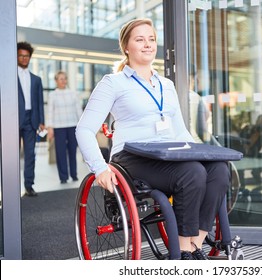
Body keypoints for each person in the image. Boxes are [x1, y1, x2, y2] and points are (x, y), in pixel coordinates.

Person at [76, 18, 231, 260]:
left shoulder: (166, 85)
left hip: (169, 153)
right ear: (126, 46)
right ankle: (182, 251)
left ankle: (194, 244)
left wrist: (202, 154)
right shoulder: (113, 83)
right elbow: (84, 129)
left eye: (151, 39)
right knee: (192, 173)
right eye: (140, 39)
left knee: (219, 170)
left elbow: (180, 131)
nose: (147, 44)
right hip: (132, 157)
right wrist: (99, 168)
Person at [17, 41, 45, 197]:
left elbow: (40, 102)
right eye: (21, 56)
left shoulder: (36, 79)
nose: (24, 58)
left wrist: (41, 121)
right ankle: (11, 187)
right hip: (12, 120)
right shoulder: (8, 76)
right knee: (10, 157)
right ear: (16, 57)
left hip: (31, 120)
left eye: (26, 56)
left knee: (30, 155)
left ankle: (29, 186)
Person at [46, 71, 82, 184]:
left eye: (64, 78)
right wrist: (50, 128)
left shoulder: (73, 93)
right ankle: (63, 177)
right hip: (59, 127)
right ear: (56, 81)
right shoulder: (52, 95)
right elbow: (49, 112)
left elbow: (78, 110)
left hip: (73, 126)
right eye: (60, 79)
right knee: (60, 152)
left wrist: (82, 125)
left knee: (72, 150)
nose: (63, 81)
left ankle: (74, 174)